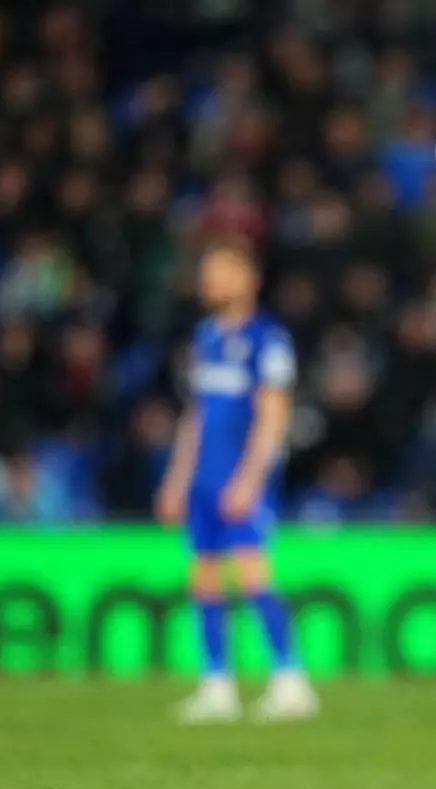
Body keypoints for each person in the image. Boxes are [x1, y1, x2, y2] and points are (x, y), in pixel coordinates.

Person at [156, 238, 318, 724]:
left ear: (249, 279)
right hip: (205, 478)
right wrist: (176, 479)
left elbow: (273, 416)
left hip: (242, 478)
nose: (210, 281)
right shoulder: (205, 337)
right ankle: (217, 686)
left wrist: (250, 479)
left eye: (222, 271)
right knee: (203, 579)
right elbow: (196, 415)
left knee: (252, 576)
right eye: (208, 272)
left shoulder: (268, 339)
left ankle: (291, 681)